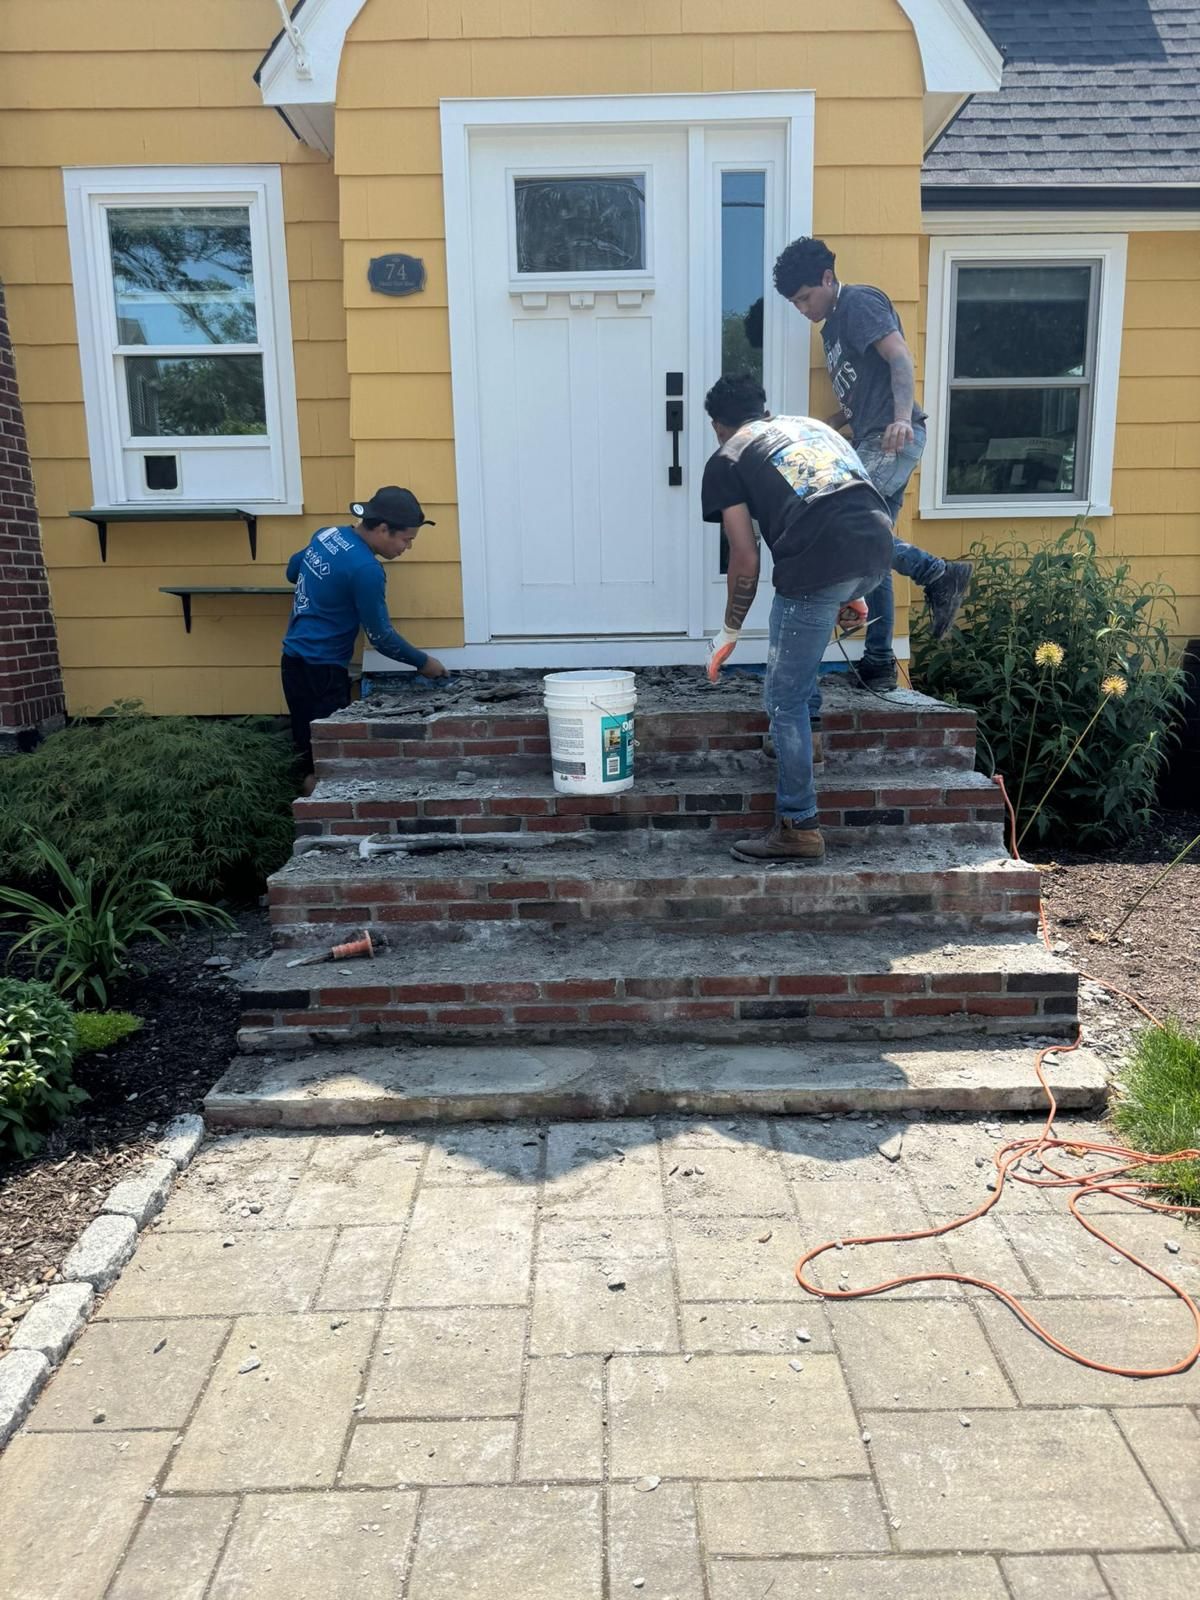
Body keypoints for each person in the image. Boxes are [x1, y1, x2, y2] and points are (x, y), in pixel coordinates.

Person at [701, 374, 892, 863]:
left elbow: (745, 556)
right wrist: (853, 587)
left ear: (719, 425)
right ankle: (812, 745)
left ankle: (797, 826)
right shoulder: (806, 428)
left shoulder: (729, 455)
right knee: (797, 652)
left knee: (781, 699)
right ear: (764, 410)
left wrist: (729, 632)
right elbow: (846, 496)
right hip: (875, 550)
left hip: (819, 566)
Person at [773, 236, 971, 691]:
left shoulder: (858, 303)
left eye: (805, 297)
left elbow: (899, 355)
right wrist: (829, 424)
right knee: (874, 544)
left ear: (827, 279)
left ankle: (938, 572)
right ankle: (881, 663)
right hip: (870, 436)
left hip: (890, 437)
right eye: (795, 303)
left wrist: (901, 418)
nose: (802, 308)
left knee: (846, 524)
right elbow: (863, 391)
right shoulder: (832, 326)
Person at [281, 486, 447, 786]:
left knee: (308, 748)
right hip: (323, 672)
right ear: (383, 529)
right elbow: (381, 636)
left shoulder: (328, 535)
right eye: (406, 539)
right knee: (327, 762)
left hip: (292, 661)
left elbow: (293, 571)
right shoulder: (366, 569)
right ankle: (319, 821)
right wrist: (424, 663)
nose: (407, 547)